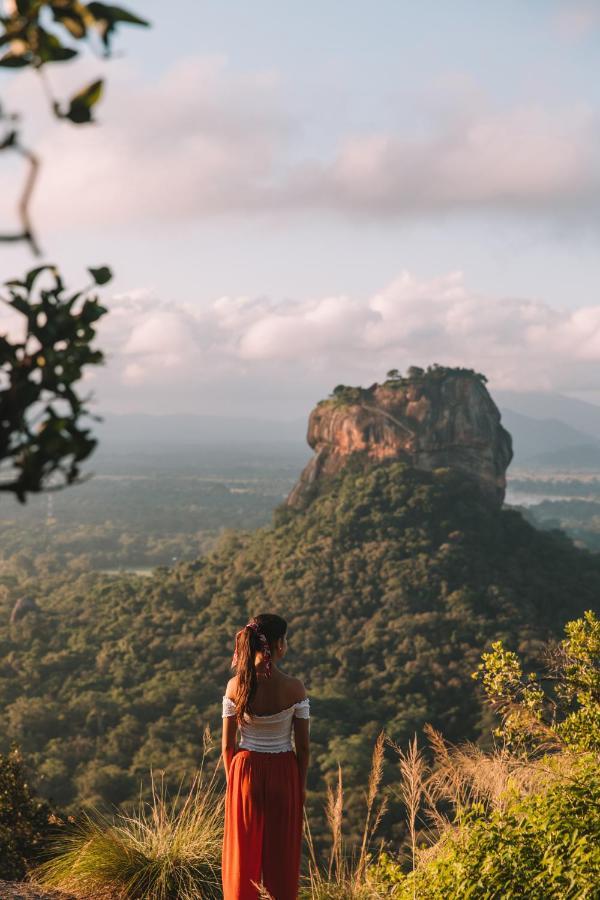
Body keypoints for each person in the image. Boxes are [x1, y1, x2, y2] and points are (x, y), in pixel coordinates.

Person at [221, 613, 310, 900]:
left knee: (242, 854)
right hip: (284, 771)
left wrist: (232, 782)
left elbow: (226, 746)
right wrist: (301, 785)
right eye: (285, 639)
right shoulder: (294, 687)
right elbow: (303, 747)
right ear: (277, 645)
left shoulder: (236, 686)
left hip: (245, 770)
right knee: (281, 855)